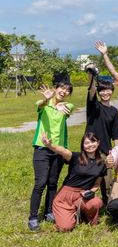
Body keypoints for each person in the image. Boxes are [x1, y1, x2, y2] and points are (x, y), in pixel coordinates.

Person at [28, 81, 74, 231]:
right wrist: (48, 100)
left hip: (58, 149)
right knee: (40, 182)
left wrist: (60, 107)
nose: (64, 91)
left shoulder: (68, 105)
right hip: (42, 147)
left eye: (67, 90)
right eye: (62, 88)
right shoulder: (44, 105)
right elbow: (40, 105)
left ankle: (49, 212)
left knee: (53, 182)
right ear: (55, 89)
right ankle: (33, 217)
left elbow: (67, 109)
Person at [39, 131, 105, 232]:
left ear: (98, 142)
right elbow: (63, 151)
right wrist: (49, 145)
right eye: (87, 143)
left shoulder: (101, 164)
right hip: (65, 197)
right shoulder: (76, 157)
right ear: (83, 145)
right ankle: (72, 215)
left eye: (93, 141)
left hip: (82, 195)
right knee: (65, 227)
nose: (90, 145)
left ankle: (85, 216)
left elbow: (97, 184)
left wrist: (91, 191)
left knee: (96, 202)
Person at [83, 66, 118, 203]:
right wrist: (92, 76)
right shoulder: (94, 106)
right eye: (102, 91)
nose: (105, 93)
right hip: (90, 148)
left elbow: (116, 134)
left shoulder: (114, 111)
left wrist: (115, 152)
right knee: (88, 178)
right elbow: (91, 90)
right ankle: (86, 204)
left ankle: (108, 205)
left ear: (112, 91)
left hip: (106, 150)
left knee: (107, 181)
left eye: (108, 90)